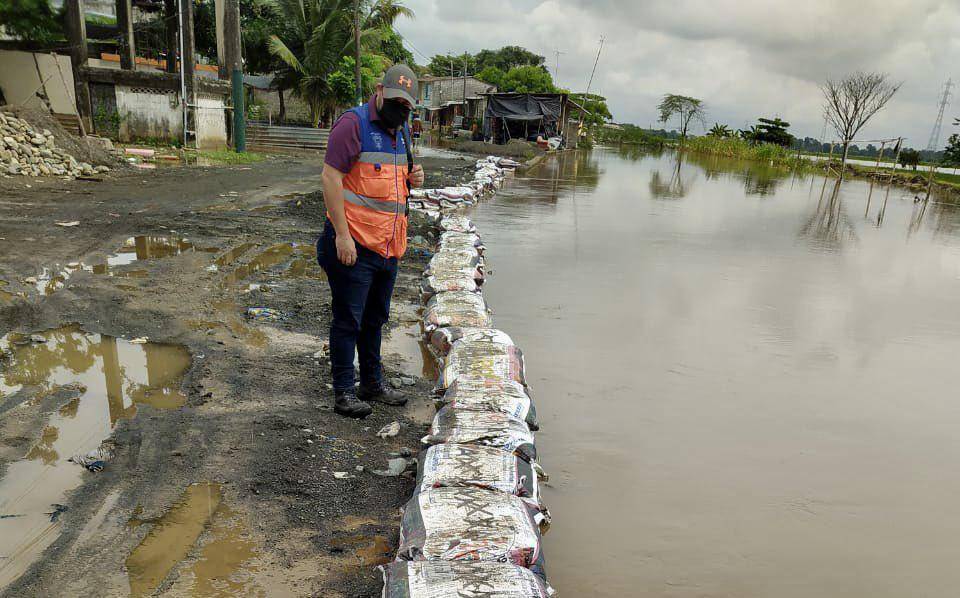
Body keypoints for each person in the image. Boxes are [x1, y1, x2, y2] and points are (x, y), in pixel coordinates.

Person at [317, 64, 425, 418]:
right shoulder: (353, 124)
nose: (400, 111)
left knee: (375, 318)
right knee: (349, 319)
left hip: (388, 246)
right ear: (379, 90)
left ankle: (372, 384)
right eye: (395, 102)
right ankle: (344, 391)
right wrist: (342, 237)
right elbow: (331, 179)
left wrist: (414, 178)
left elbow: (392, 185)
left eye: (406, 106)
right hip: (355, 245)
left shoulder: (403, 130)